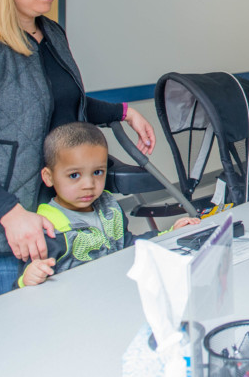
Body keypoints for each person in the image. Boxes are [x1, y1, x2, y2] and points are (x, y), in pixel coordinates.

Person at [0, 0, 157, 306]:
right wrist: (9, 214)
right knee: (10, 346)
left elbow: (59, 103)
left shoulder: (51, 34)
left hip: (48, 217)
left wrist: (123, 112)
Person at [18, 123, 200, 287]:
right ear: (49, 177)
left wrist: (168, 234)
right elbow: (29, 284)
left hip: (116, 290)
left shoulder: (109, 206)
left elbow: (127, 245)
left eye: (97, 172)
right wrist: (28, 278)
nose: (89, 184)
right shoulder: (48, 227)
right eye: (74, 175)